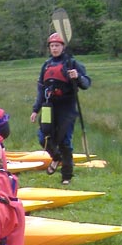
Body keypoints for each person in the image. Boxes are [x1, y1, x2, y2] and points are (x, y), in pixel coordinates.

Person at [30, 32, 91, 185]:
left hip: (67, 106)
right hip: (49, 106)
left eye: (57, 45)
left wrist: (77, 77)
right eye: (52, 46)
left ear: (63, 47)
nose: (54, 48)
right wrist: (35, 110)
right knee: (42, 136)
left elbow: (86, 83)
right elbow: (41, 90)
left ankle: (66, 175)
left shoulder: (72, 64)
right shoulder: (47, 64)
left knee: (64, 140)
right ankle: (56, 157)